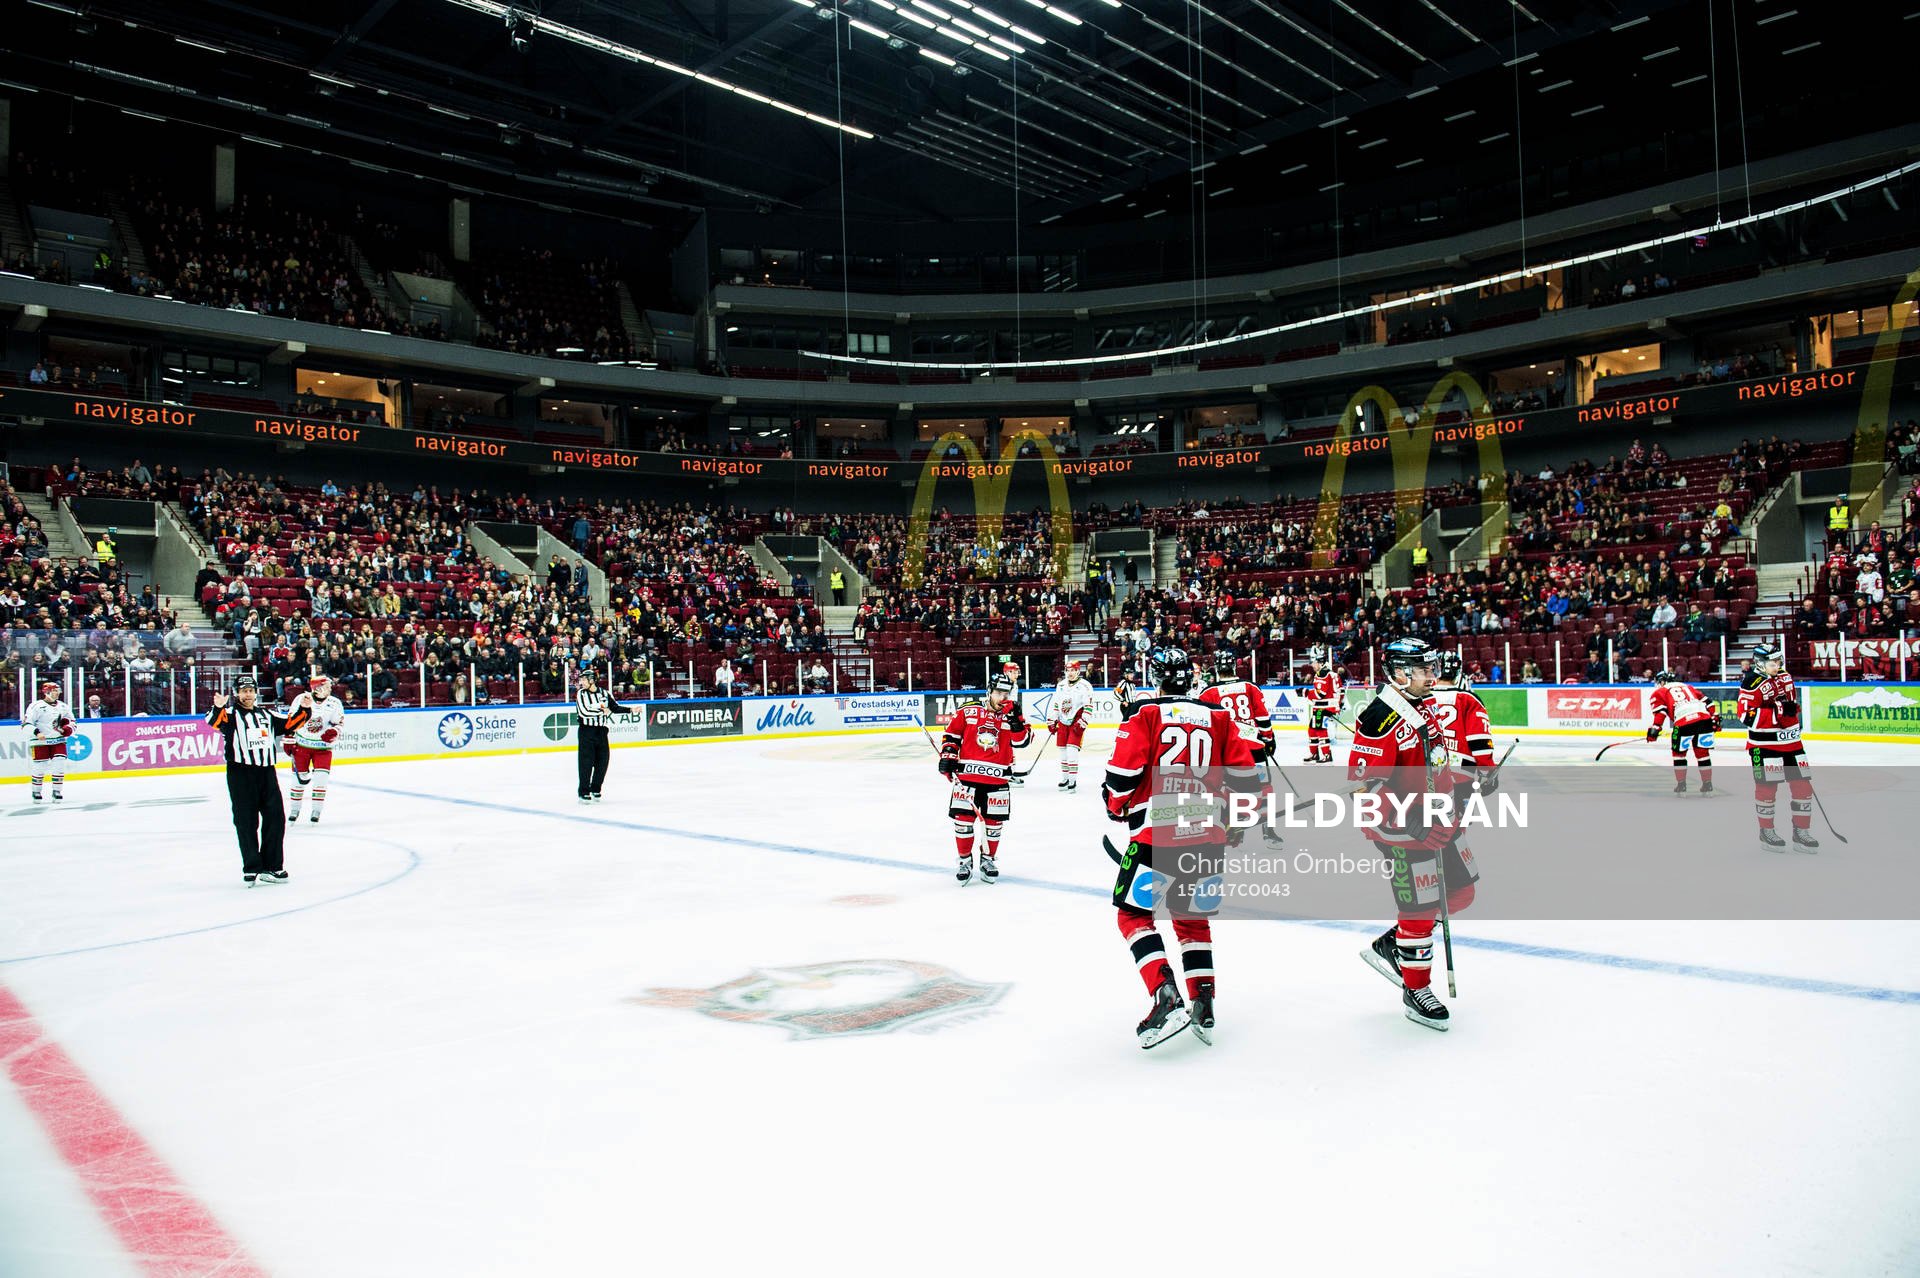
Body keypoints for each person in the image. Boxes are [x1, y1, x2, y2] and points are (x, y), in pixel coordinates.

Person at [1103, 647, 1259, 1048]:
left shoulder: (1145, 713)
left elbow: (1122, 776)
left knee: (1132, 916)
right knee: (1191, 921)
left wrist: (1115, 805)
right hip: (1206, 837)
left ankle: (1164, 992)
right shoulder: (1219, 717)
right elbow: (1246, 780)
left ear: (1156, 678)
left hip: (1157, 835)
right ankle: (1203, 1001)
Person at [1348, 636, 1481, 1031]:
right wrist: (1411, 821)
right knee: (1419, 909)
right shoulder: (1379, 717)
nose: (1432, 676)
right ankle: (1415, 988)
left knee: (1462, 892)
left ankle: (1396, 942)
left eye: (1432, 668)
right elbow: (1364, 786)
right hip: (1402, 831)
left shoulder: (1422, 706)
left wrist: (1458, 789)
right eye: (1424, 669)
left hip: (1440, 821)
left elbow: (1434, 764)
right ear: (1400, 673)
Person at [207, 675, 309, 886]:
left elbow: (290, 724)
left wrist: (305, 710)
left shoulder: (266, 714)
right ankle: (252, 867)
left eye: (251, 690)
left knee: (275, 818)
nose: (248, 694)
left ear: (256, 692)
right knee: (246, 821)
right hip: (240, 773)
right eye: (243, 691)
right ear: (237, 693)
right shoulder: (230, 714)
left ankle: (272, 866)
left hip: (266, 773)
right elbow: (213, 721)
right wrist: (218, 706)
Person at [939, 674, 1031, 885]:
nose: (1002, 697)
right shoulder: (969, 711)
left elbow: (1023, 742)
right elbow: (952, 735)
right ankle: (964, 861)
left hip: (997, 780)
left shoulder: (1013, 715)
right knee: (962, 822)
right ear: (989, 692)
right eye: (998, 692)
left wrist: (1015, 720)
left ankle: (988, 860)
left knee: (993, 825)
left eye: (1006, 693)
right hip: (967, 778)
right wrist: (948, 757)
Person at [1737, 642, 1816, 850]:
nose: (1778, 664)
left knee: (1803, 786)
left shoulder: (1785, 676)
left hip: (1791, 742)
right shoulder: (1751, 683)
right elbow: (1746, 716)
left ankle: (1801, 832)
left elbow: (1792, 705)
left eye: (1779, 660)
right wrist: (1780, 711)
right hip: (1763, 744)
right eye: (1773, 662)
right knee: (1767, 787)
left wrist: (1790, 711)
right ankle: (1767, 831)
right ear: (1760, 663)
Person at [284, 673, 346, 824]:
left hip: (323, 748)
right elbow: (291, 721)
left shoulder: (334, 702)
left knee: (321, 779)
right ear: (317, 688)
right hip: (302, 746)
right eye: (327, 685)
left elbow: (339, 724)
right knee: (298, 780)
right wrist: (289, 740)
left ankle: (316, 810)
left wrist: (334, 732)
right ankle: (294, 809)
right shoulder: (301, 699)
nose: (330, 687)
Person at [1648, 669, 1717, 794]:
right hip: (1704, 719)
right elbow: (1709, 703)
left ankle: (1682, 785)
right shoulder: (1688, 686)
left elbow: (1660, 713)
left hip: (1683, 721)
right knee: (1703, 754)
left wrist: (1655, 729)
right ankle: (1707, 785)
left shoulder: (1660, 691)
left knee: (1678, 754)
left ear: (1662, 682)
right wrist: (1715, 717)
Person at [574, 664, 631, 803]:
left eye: (584, 679)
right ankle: (584, 791)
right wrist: (602, 711)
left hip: (601, 731)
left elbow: (614, 707)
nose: (581, 682)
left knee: (602, 761)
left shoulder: (605, 693)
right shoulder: (581, 694)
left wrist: (631, 710)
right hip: (586, 731)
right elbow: (583, 712)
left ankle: (596, 788)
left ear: (592, 680)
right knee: (586, 762)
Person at [22, 680, 76, 804]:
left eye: (58, 691)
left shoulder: (63, 706)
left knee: (59, 764)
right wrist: (36, 732)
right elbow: (26, 723)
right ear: (47, 692)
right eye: (55, 691)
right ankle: (36, 791)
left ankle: (57, 791)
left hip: (58, 740)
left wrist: (66, 730)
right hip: (40, 742)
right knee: (40, 767)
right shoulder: (36, 706)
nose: (57, 693)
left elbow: (73, 722)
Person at [1048, 660, 1094, 791]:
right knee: (1063, 751)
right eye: (1068, 670)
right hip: (1063, 721)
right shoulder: (1061, 685)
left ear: (1078, 671)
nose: (1070, 673)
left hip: (1076, 720)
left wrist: (1083, 721)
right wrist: (1052, 720)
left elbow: (1088, 706)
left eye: (1073, 670)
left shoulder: (1085, 686)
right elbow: (1056, 704)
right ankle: (1065, 778)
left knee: (1072, 750)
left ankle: (1072, 781)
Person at [1302, 644, 1345, 763]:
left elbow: (1320, 694)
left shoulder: (1323, 673)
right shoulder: (1330, 673)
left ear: (1320, 663)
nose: (1312, 665)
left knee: (1320, 729)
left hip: (1323, 707)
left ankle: (1326, 754)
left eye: (1313, 662)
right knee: (1312, 729)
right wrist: (1338, 706)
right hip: (1327, 707)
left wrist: (1305, 692)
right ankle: (1314, 753)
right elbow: (1340, 691)